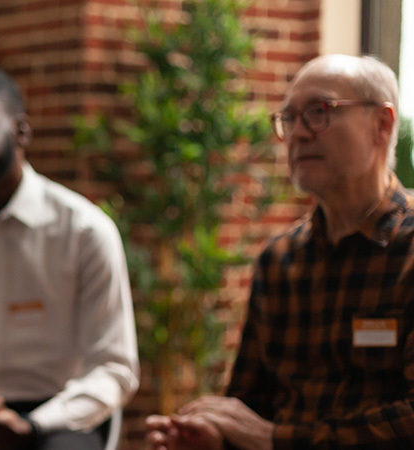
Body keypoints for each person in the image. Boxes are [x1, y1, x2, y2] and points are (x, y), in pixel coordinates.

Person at [146, 55, 414, 449]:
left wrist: (277, 439)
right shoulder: (280, 259)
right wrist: (216, 436)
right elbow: (252, 404)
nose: (298, 134)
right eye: (289, 119)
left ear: (382, 124)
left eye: (319, 112)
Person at [0, 66, 139, 450]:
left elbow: (114, 368)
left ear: (21, 130)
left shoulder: (84, 232)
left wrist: (31, 426)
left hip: (54, 416)